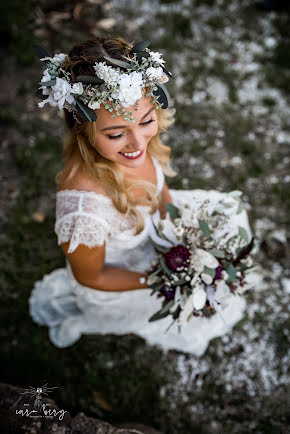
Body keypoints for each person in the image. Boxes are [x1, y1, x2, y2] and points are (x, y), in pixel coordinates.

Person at [29, 35, 252, 355]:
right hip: (123, 276)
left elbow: (160, 190)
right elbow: (94, 276)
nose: (137, 144)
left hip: (154, 232)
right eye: (116, 134)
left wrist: (180, 231)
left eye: (147, 121)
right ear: (83, 128)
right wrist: (167, 278)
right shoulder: (83, 212)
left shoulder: (130, 147)